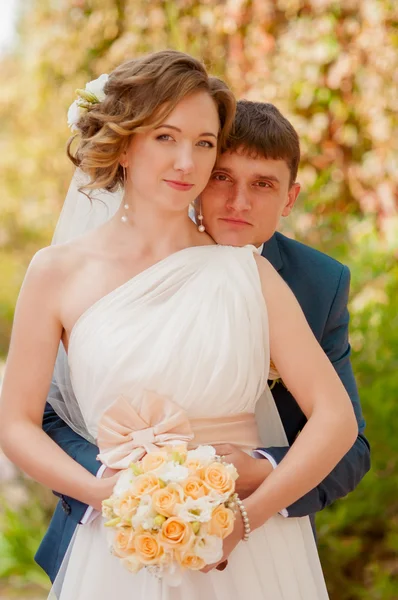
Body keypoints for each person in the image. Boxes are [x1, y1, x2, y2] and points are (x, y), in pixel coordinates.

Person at [0, 50, 358, 599]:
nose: (187, 163)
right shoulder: (56, 273)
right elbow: (18, 423)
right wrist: (107, 495)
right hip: (119, 541)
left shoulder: (248, 272)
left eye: (204, 143)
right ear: (124, 143)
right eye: (165, 137)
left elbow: (336, 421)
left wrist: (248, 517)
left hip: (248, 550)